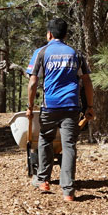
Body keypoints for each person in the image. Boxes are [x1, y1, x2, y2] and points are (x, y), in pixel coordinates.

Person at [25, 19, 95, 202]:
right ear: (65, 35)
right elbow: (87, 81)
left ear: (49, 34)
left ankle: (43, 180)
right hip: (72, 106)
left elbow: (33, 82)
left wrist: (30, 107)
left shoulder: (41, 52)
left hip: (50, 105)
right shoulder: (76, 54)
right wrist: (90, 106)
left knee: (45, 139)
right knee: (69, 145)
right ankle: (68, 191)